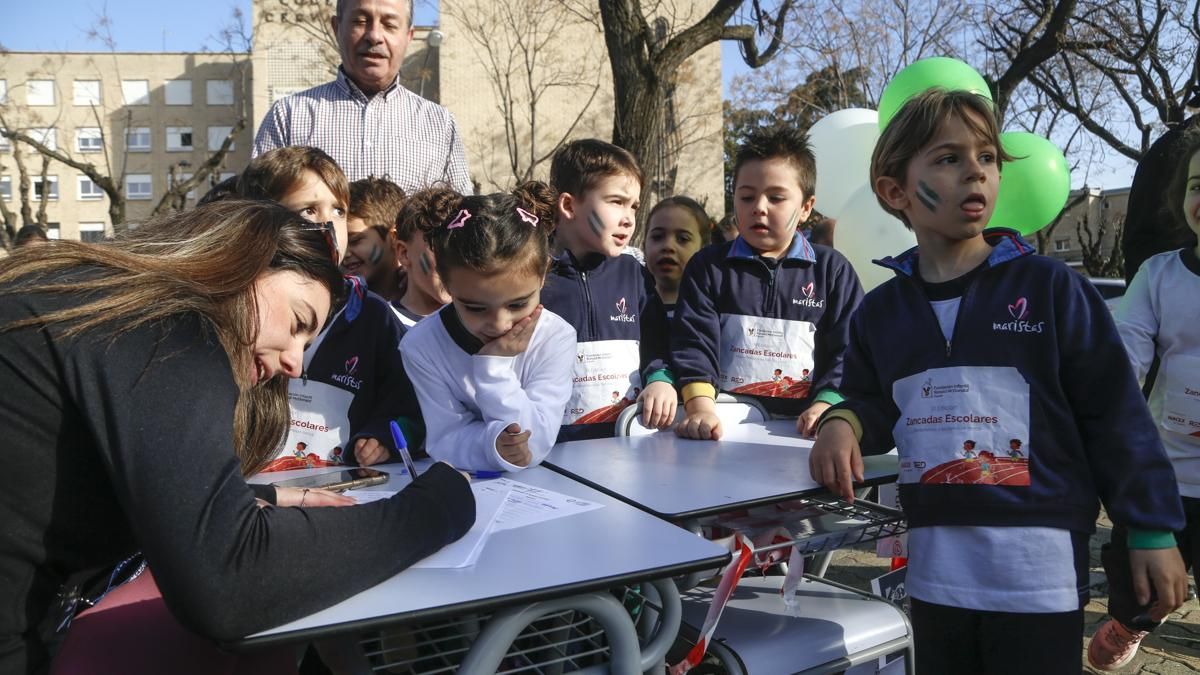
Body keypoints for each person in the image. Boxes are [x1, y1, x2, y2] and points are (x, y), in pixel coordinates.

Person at [0, 200, 474, 674]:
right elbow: (228, 584)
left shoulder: (101, 309)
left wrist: (251, 496)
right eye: (297, 323)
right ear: (245, 260)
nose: (296, 363)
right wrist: (436, 508)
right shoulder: (171, 332)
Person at [808, 88, 1187, 674]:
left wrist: (1151, 530)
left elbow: (1116, 417)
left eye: (985, 157)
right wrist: (842, 421)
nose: (975, 173)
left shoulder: (1052, 288)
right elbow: (870, 399)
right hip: (934, 577)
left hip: (1038, 577)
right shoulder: (881, 313)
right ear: (894, 191)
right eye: (948, 159)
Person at [671, 127, 863, 440]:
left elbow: (849, 349)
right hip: (721, 430)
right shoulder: (707, 267)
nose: (759, 207)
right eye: (746, 197)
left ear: (806, 207)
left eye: (775, 197)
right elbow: (693, 342)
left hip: (805, 434)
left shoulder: (832, 271)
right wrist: (700, 407)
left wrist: (829, 404)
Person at [239, 147, 422, 469]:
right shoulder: (233, 310)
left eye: (339, 211)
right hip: (252, 488)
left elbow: (408, 407)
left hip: (343, 484)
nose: (327, 224)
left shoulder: (373, 317)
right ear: (259, 217)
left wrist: (382, 437)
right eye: (309, 210)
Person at [1091, 129, 1200, 671]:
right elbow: (1126, 347)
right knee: (1138, 578)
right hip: (1166, 473)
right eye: (1199, 186)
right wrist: (1104, 393)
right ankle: (1132, 620)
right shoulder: (1161, 276)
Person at [400, 183, 577, 471]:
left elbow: (534, 444)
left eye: (518, 304)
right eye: (475, 308)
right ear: (445, 283)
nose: (499, 324)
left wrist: (493, 368)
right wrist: (492, 445)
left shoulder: (556, 338)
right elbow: (444, 437)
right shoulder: (420, 345)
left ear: (543, 273)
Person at [251, 0, 471, 193]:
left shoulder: (440, 124)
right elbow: (256, 212)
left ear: (408, 36)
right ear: (337, 28)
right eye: (360, 21)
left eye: (390, 24)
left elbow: (462, 221)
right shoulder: (288, 116)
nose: (374, 35)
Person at [543, 139, 676, 441]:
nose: (628, 218)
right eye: (616, 202)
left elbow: (658, 344)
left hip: (629, 442)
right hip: (551, 449)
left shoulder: (634, 274)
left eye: (634, 206)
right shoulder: (531, 276)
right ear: (568, 205)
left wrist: (659, 380)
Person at [389, 185, 456, 327]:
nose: (455, 263)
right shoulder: (383, 325)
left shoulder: (482, 325)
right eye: (440, 250)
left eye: (464, 249)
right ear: (404, 253)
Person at [644, 196, 711, 318]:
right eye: (658, 237)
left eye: (683, 239)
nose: (668, 246)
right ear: (644, 244)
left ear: (704, 248)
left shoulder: (713, 313)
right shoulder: (628, 310)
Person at [343, 176, 406, 303]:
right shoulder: (338, 307)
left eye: (354, 240)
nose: (345, 253)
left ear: (394, 238)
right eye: (339, 243)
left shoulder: (425, 297)